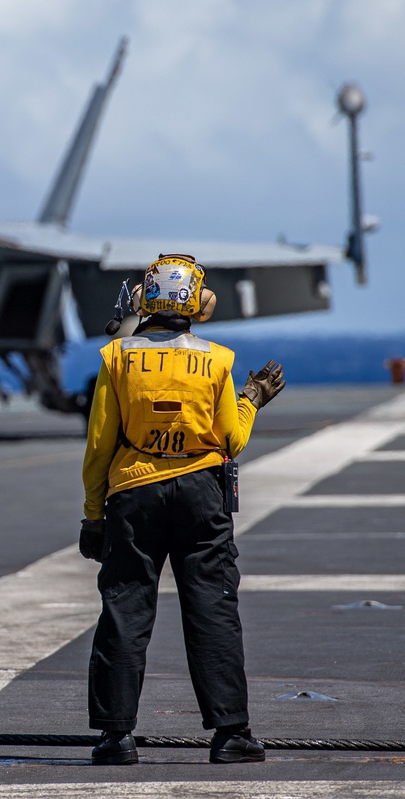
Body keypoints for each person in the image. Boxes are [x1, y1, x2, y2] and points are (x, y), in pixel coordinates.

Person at [79, 253, 285, 765]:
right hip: (201, 493)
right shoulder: (218, 360)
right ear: (196, 302)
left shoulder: (117, 358)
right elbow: (231, 439)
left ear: (146, 299)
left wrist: (93, 516)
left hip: (134, 492)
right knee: (213, 607)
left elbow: (99, 448)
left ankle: (116, 738)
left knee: (125, 609)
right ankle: (231, 734)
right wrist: (251, 399)